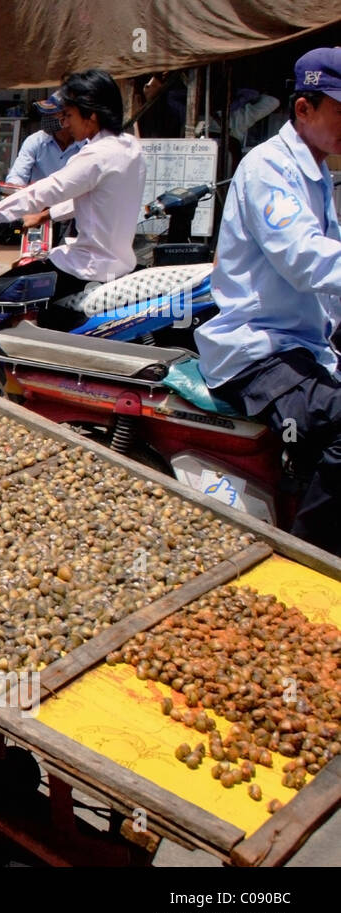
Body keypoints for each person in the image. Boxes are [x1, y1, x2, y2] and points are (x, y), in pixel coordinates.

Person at [195, 50, 341, 556]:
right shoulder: (268, 168)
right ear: (304, 109)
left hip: (303, 344)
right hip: (258, 349)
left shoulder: (318, 174)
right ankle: (309, 559)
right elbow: (305, 259)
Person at [0, 69, 146, 330]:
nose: (65, 123)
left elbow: (43, 191)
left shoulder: (95, 155)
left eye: (69, 115)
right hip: (117, 263)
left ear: (91, 116)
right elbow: (96, 197)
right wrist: (45, 215)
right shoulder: (130, 147)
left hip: (84, 267)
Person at [6, 90, 83, 187]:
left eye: (52, 114)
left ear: (69, 117)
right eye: (45, 114)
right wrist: (14, 185)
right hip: (39, 199)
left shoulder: (86, 144)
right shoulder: (35, 141)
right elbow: (17, 175)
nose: (46, 118)